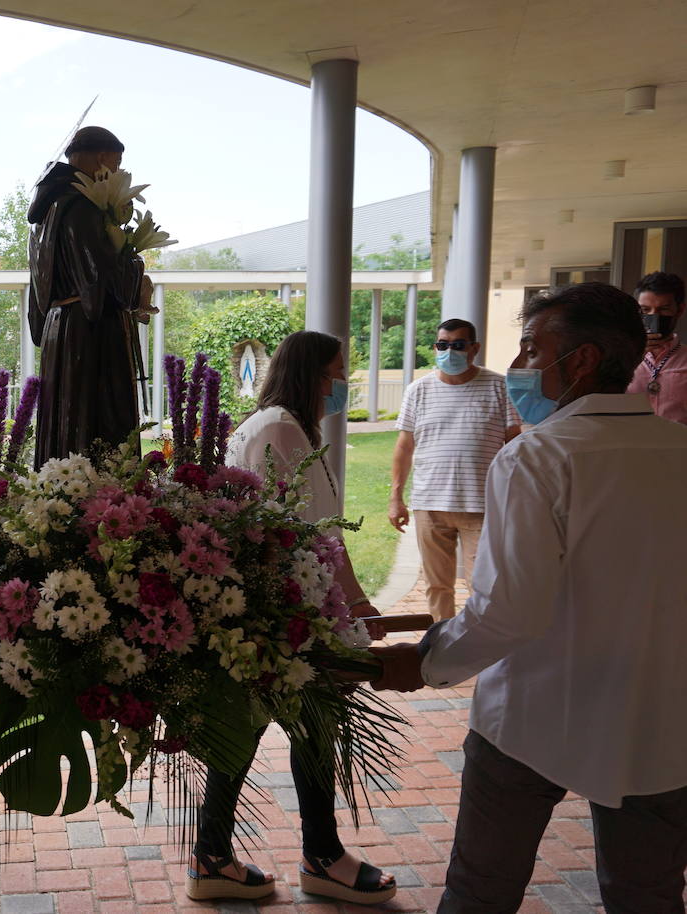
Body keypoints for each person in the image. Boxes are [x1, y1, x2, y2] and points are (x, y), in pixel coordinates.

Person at [372, 282, 687, 913]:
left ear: (583, 360)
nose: (519, 366)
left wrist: (426, 662)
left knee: (480, 892)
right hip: (659, 720)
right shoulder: (676, 451)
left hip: (531, 716)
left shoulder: (538, 458)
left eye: (531, 349)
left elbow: (508, 611)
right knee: (647, 896)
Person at [187, 331, 395, 905]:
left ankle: (220, 856)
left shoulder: (279, 425)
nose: (340, 386)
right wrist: (351, 602)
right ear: (309, 375)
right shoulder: (280, 429)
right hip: (287, 618)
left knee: (261, 733)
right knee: (305, 733)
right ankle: (317, 856)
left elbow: (316, 530)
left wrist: (353, 602)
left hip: (283, 613)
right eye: (334, 374)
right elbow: (312, 536)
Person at [28, 125, 156, 466]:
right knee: (98, 423)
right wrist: (134, 268)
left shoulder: (46, 212)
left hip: (60, 331)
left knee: (64, 422)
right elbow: (98, 283)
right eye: (115, 165)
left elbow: (38, 293)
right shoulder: (83, 206)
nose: (115, 174)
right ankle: (102, 505)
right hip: (91, 337)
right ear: (101, 158)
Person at [388, 319, 521, 620]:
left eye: (458, 345)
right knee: (437, 587)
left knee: (484, 586)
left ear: (474, 348)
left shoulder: (499, 386)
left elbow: (515, 445)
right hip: (430, 505)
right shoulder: (418, 390)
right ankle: (442, 648)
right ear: (435, 347)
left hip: (481, 506)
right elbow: (404, 447)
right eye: (443, 345)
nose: (450, 351)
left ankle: (481, 653)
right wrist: (396, 497)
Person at [626, 270, 686, 425]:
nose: (654, 317)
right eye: (645, 310)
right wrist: (633, 356)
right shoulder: (621, 359)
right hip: (629, 444)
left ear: (679, 310)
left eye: (663, 309)